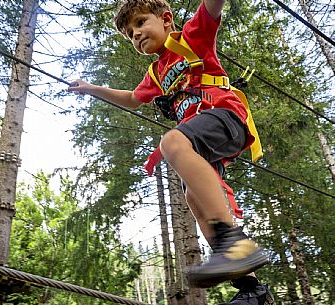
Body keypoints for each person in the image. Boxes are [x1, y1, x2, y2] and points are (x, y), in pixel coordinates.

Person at [69, 0, 274, 303]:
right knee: (194, 196)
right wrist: (91, 89)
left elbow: (212, 7)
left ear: (166, 19)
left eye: (140, 23)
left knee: (172, 143)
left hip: (224, 116)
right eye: (129, 33)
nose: (135, 34)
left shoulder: (191, 37)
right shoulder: (155, 74)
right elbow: (131, 98)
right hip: (203, 139)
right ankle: (252, 290)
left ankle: (234, 244)